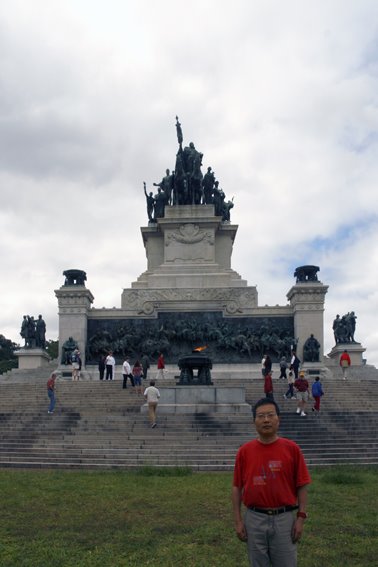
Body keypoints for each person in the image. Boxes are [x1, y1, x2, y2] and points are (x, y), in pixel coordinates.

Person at [232, 398, 311, 567]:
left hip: (284, 519)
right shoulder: (244, 451)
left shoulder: (292, 449)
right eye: (261, 416)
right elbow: (237, 487)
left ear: (278, 419)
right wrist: (238, 521)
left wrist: (301, 518)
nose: (266, 420)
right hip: (254, 518)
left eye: (270, 415)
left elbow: (302, 485)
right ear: (254, 421)